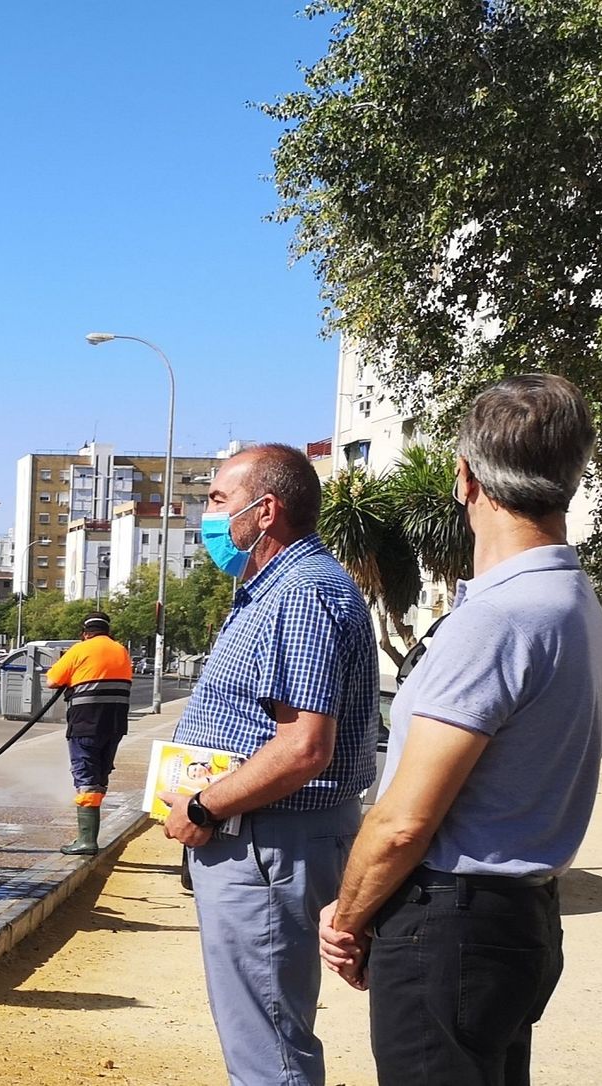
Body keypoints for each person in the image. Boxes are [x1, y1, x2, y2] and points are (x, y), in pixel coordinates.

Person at [318, 375, 602, 1084]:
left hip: (452, 923)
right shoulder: (574, 606)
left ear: (465, 477)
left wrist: (349, 917)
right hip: (515, 920)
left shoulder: (500, 618)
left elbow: (401, 823)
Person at [160, 443, 377, 1086]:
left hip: (266, 843)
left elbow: (304, 747)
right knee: (264, 1033)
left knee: (269, 1050)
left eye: (219, 501)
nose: (209, 516)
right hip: (263, 838)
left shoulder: (299, 595)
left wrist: (204, 805)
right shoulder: (272, 590)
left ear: (267, 509)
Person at [46, 610, 133, 856]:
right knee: (100, 776)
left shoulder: (79, 649)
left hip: (85, 723)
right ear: (108, 631)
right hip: (115, 724)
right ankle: (88, 837)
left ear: (85, 633)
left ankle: (87, 840)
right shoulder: (121, 651)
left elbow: (52, 680)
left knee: (85, 777)